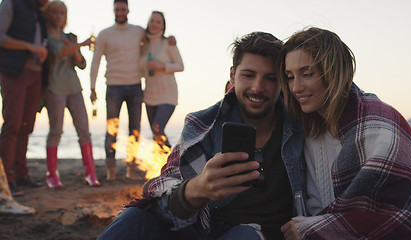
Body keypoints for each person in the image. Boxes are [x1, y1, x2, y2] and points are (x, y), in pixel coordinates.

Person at [98, 32, 306, 240]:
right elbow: (161, 201)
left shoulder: (302, 125)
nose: (257, 87)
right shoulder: (203, 124)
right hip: (197, 227)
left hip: (254, 233)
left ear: (283, 81)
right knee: (134, 218)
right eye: (248, 75)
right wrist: (198, 189)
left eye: (271, 78)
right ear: (233, 75)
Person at [277, 27, 411, 239]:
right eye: (290, 77)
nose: (296, 87)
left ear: (333, 72)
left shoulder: (377, 123)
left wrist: (313, 228)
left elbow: (406, 218)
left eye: (307, 74)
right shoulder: (306, 128)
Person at [42, 0, 100, 188]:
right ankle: (52, 175)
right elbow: (60, 52)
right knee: (56, 131)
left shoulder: (69, 36)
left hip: (74, 87)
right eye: (55, 12)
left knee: (84, 130)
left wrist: (76, 48)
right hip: (55, 88)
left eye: (62, 13)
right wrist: (81, 43)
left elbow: (81, 63)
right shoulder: (46, 36)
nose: (58, 16)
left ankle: (90, 173)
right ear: (49, 14)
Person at [89, 0, 145, 181]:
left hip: (135, 85)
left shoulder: (138, 31)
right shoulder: (105, 34)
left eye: (123, 9)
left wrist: (169, 39)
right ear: (114, 10)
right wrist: (92, 87)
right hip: (113, 86)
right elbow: (96, 61)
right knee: (111, 129)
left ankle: (131, 169)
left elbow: (155, 39)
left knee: (134, 130)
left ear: (128, 10)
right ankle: (110, 170)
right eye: (117, 9)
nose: (120, 12)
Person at [0, 0, 49, 197]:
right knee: (12, 125)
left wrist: (41, 51)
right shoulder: (10, 4)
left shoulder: (39, 12)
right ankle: (6, 179)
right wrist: (30, 47)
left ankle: (21, 175)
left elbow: (42, 42)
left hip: (36, 73)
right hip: (14, 71)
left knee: (27, 126)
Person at [140, 11, 184, 149]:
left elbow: (180, 66)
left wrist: (161, 66)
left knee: (157, 128)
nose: (154, 24)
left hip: (167, 94)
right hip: (149, 95)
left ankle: (172, 163)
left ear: (163, 26)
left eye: (158, 22)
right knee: (155, 134)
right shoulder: (143, 45)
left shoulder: (168, 43)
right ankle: (160, 167)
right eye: (152, 21)